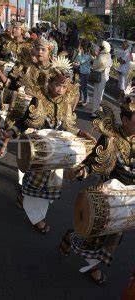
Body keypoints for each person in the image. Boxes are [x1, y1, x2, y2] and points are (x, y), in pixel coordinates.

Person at [2, 57, 94, 233]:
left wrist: (83, 133)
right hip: (38, 152)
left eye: (64, 86)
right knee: (34, 187)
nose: (60, 89)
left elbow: (69, 127)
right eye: (57, 85)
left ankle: (25, 198)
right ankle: (37, 219)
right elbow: (24, 122)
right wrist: (10, 133)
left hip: (57, 153)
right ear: (48, 82)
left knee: (49, 188)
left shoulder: (66, 104)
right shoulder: (38, 100)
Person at [60, 91, 135, 285]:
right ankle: (72, 238)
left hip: (129, 200)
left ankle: (92, 264)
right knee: (92, 233)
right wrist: (81, 172)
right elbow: (95, 160)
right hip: (107, 194)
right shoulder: (111, 136)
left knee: (113, 238)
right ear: (125, 119)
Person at [90, 41, 112, 118]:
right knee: (100, 95)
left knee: (97, 95)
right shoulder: (108, 55)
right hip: (104, 77)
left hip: (99, 77)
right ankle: (98, 112)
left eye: (101, 47)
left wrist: (95, 57)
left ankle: (95, 113)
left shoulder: (101, 56)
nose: (99, 48)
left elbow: (94, 66)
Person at [74, 42, 92, 107]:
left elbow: (82, 61)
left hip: (86, 73)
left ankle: (86, 100)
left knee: (84, 87)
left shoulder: (88, 55)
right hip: (82, 72)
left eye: (81, 48)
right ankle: (82, 100)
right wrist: (77, 64)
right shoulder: (84, 54)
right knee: (81, 87)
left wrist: (79, 53)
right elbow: (81, 62)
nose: (80, 49)